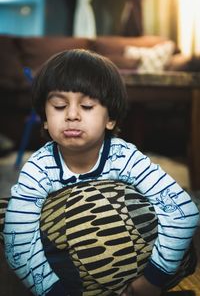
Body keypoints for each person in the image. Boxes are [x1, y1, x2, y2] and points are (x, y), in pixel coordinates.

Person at [3, 49, 199, 296]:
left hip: (133, 271)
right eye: (59, 105)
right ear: (44, 118)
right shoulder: (38, 168)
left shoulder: (125, 157)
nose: (72, 115)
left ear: (111, 119)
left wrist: (152, 279)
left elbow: (183, 212)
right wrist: (52, 291)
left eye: (86, 105)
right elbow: (17, 239)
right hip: (66, 273)